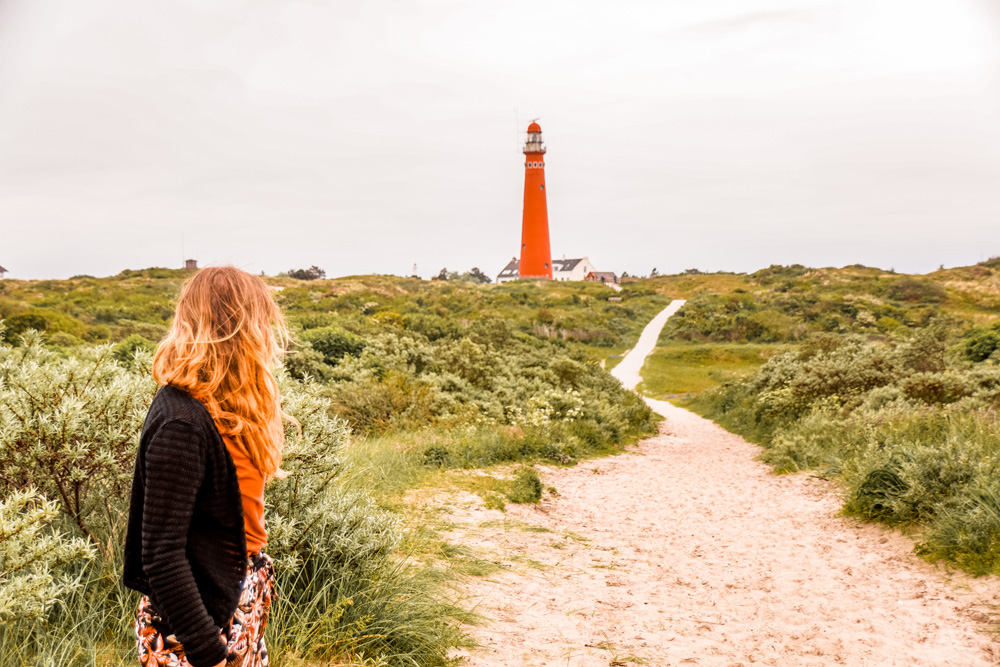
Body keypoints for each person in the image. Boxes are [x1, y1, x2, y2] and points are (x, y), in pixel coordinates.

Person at [123, 266, 292, 667]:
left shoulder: (230, 404)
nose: (268, 333)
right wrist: (209, 652)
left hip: (233, 599)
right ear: (236, 329)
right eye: (260, 321)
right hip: (193, 625)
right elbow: (161, 555)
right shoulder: (182, 423)